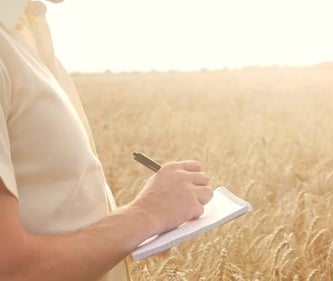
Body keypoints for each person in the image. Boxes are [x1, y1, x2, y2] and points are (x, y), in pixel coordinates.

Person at [0, 0, 214, 280]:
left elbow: (55, 215)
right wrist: (147, 213)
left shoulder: (25, 31)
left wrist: (137, 227)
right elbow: (12, 269)